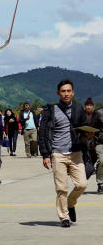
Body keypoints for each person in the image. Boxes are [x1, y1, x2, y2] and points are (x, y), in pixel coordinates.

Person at [37, 79, 88, 227]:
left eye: (68, 91)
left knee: (82, 184)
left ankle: (70, 203)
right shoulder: (50, 111)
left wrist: (87, 135)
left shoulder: (78, 108)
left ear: (73, 92)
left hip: (76, 153)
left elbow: (83, 128)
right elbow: (43, 134)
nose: (66, 94)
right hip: (57, 154)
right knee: (61, 188)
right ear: (58, 93)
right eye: (63, 91)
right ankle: (64, 217)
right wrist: (45, 155)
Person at [87, 100, 103, 194]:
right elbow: (91, 127)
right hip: (100, 141)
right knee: (101, 160)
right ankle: (101, 184)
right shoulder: (98, 112)